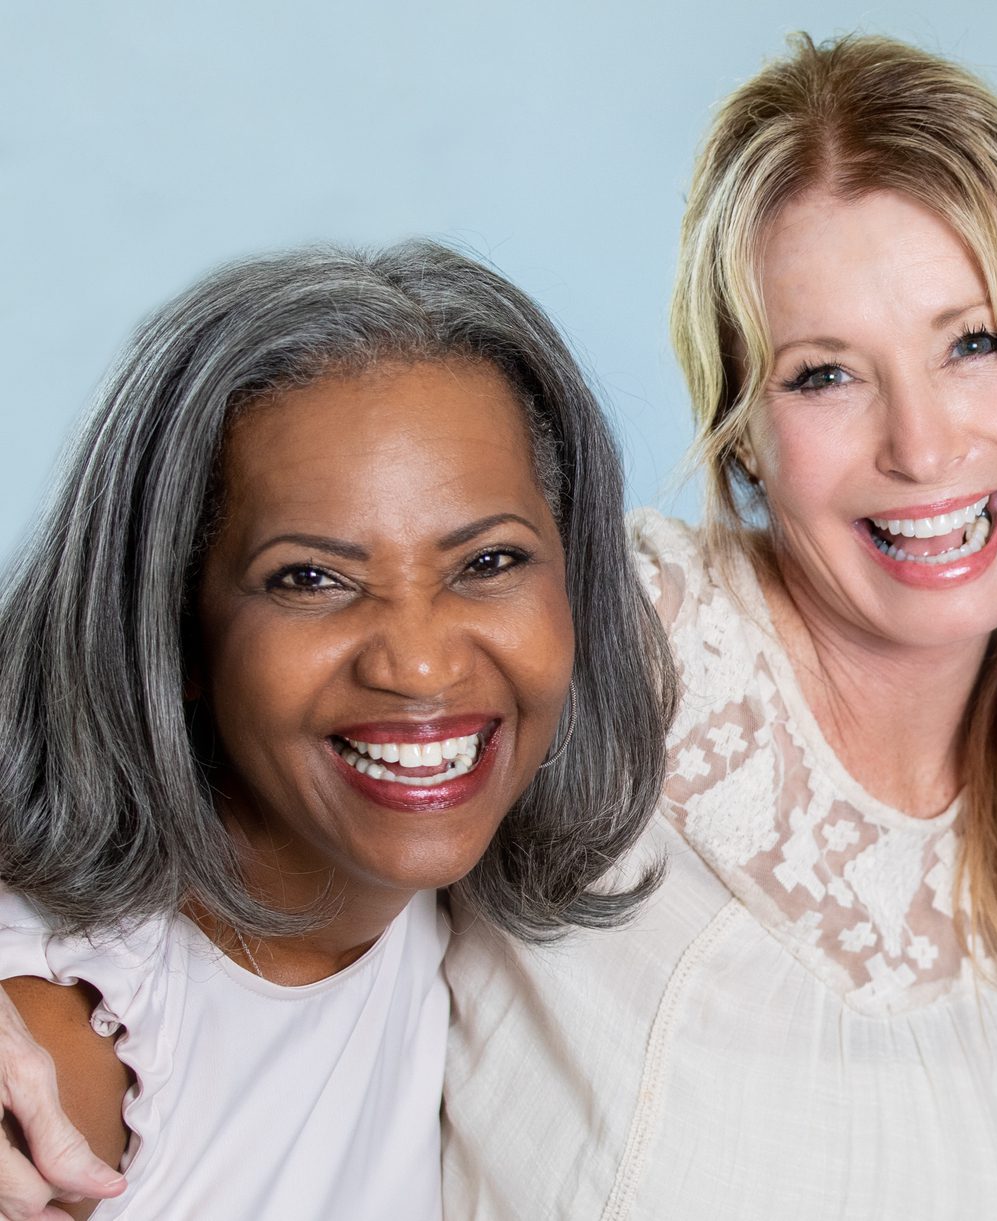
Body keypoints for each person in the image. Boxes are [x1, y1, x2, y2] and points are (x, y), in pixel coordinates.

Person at [437, 34, 997, 1218]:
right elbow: (199, 753)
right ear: (743, 439)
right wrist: (36, 988)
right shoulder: (612, 641)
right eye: (824, 374)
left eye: (973, 343)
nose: (922, 448)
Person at [0, 241, 674, 1220]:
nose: (420, 664)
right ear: (175, 631)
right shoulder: (63, 1063)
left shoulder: (454, 907)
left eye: (487, 562)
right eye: (310, 579)